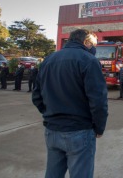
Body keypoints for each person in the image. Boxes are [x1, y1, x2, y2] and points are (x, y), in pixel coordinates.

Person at [32, 29, 108, 178]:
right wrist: (99, 127)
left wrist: (51, 115)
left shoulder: (49, 60)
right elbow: (98, 100)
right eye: (94, 44)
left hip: (52, 130)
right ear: (86, 42)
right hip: (79, 131)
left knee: (53, 174)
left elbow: (36, 96)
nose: (94, 48)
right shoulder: (89, 60)